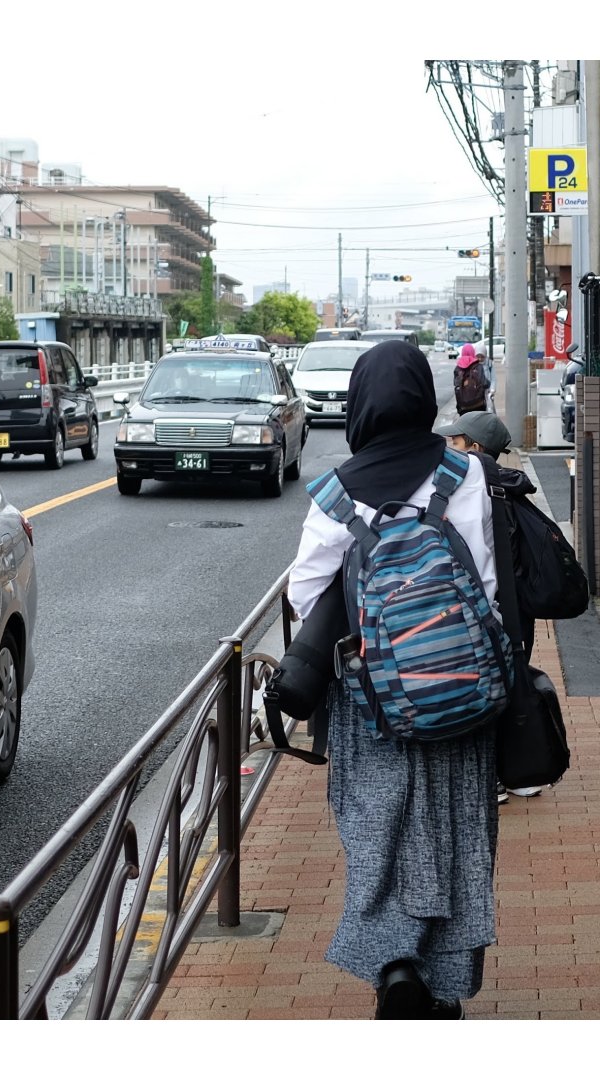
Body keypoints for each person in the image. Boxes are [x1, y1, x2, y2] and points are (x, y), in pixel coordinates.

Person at [288, 340, 500, 1021]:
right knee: (457, 828)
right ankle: (442, 982)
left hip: (369, 702)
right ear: (422, 397)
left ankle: (395, 963)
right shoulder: (460, 475)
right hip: (461, 694)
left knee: (379, 827)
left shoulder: (333, 492)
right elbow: (485, 587)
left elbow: (306, 597)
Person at [435, 410, 546, 803]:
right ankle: (521, 771)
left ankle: (493, 779)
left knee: (486, 687)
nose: (448, 446)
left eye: (456, 441)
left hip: (490, 608)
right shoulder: (513, 488)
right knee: (513, 681)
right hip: (520, 610)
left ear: (475, 448)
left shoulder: (472, 491)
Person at [453, 342, 489, 415]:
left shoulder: (457, 368)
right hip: (478, 405)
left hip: (463, 406)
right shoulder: (478, 366)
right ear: (473, 353)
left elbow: (456, 384)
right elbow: (484, 383)